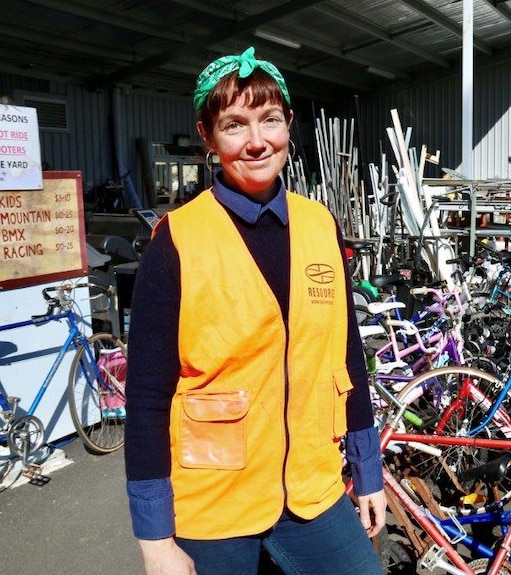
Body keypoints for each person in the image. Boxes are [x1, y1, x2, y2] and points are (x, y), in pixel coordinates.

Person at [124, 46, 386, 575]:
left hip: (310, 488)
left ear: (289, 123)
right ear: (208, 135)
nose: (256, 141)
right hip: (214, 503)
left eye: (269, 120)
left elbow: (348, 357)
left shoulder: (320, 226)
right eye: (234, 125)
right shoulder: (177, 241)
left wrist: (368, 470)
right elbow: (147, 397)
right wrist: (155, 540)